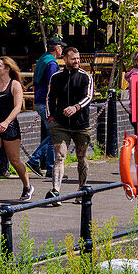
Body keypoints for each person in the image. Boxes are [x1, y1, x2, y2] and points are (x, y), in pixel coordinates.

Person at [0, 57, 33, 204]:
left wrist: (6, 122)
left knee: (14, 160)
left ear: (7, 69)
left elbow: (17, 107)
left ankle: (27, 186)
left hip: (10, 126)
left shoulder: (15, 85)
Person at [46, 46, 94, 205]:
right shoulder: (56, 77)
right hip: (60, 124)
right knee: (59, 157)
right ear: (65, 59)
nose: (77, 61)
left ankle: (82, 189)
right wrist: (51, 118)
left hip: (81, 124)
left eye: (78, 58)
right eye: (73, 59)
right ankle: (56, 191)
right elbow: (50, 98)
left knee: (82, 157)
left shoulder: (85, 77)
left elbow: (89, 97)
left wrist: (76, 107)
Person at [26, 37, 66, 177]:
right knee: (54, 134)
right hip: (46, 103)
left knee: (52, 134)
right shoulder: (52, 64)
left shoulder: (43, 59)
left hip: (39, 101)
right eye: (61, 47)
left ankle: (50, 169)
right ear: (56, 48)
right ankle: (35, 159)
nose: (62, 50)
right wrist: (55, 103)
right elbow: (52, 85)